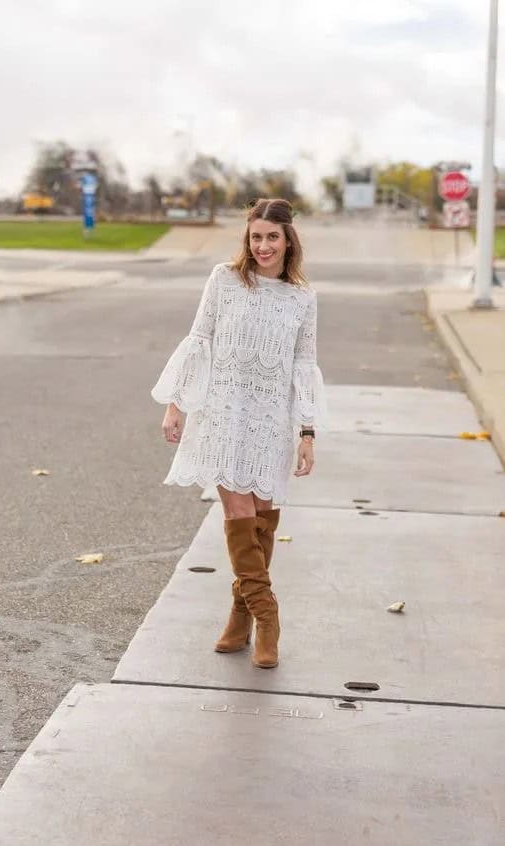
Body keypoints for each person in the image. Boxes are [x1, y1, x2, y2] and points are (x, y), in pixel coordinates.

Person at [151, 198, 327, 669]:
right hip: (223, 416)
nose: (264, 245)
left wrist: (307, 433)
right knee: (239, 512)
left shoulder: (302, 298)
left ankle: (239, 613)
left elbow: (303, 366)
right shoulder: (224, 281)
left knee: (262, 521)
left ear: (289, 240)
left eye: (273, 236)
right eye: (256, 237)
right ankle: (268, 616)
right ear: (246, 240)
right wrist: (176, 405)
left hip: (271, 421)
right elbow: (199, 342)